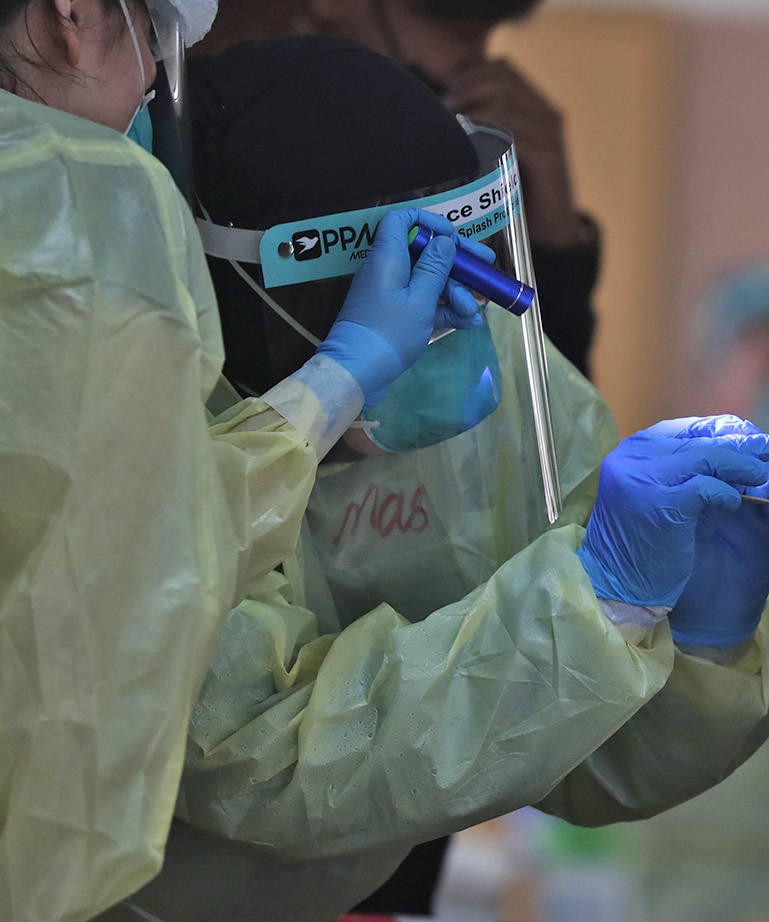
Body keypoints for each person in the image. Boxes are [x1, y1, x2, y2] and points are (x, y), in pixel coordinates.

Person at [88, 37, 769, 922]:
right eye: (404, 288)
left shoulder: (496, 376)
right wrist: (597, 603)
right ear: (242, 293)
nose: (453, 322)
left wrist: (693, 647)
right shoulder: (133, 422)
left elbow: (575, 752)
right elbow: (255, 762)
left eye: (466, 270)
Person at [0, 4, 482, 921]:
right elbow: (135, 574)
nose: (155, 83)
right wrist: (337, 383)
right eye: (152, 40)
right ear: (71, 12)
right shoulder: (69, 221)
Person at [197, 0, 599, 375]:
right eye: (458, 32)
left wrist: (557, 242)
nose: (475, 67)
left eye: (486, 36)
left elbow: (547, 410)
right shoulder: (211, 144)